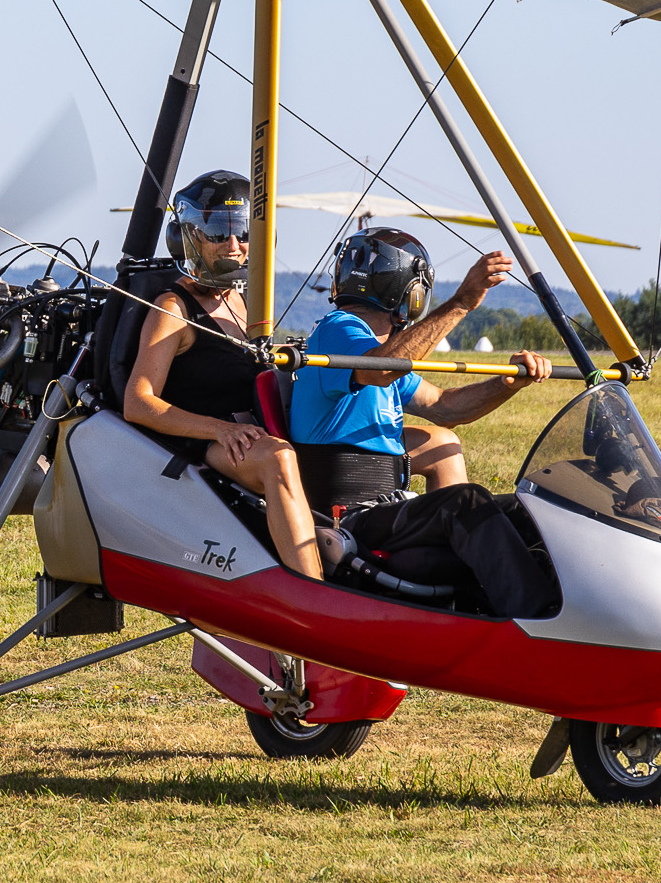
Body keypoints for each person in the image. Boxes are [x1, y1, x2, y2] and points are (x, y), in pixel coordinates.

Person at [120, 170, 326, 580]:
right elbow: (138, 402)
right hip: (210, 441)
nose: (234, 246)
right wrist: (219, 429)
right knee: (280, 458)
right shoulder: (173, 309)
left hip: (252, 432)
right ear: (189, 239)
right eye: (218, 233)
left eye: (243, 233)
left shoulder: (245, 300)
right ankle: (313, 590)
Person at [288, 228, 548, 512]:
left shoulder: (374, 350)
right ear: (411, 294)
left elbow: (444, 407)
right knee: (485, 510)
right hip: (352, 514)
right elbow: (380, 370)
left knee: (506, 501)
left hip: (382, 506)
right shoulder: (340, 329)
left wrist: (506, 384)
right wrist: (460, 303)